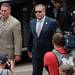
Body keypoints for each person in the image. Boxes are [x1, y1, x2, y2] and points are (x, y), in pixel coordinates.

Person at [28, 4, 57, 75]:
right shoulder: (32, 22)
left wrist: (56, 50)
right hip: (36, 54)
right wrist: (29, 49)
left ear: (44, 12)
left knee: (52, 72)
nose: (37, 13)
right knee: (36, 73)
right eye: (36, 12)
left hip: (48, 53)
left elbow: (56, 37)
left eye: (39, 12)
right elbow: (31, 37)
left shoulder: (52, 22)